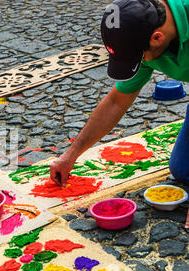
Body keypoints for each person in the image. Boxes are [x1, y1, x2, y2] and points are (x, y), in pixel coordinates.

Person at [49, 0, 188, 223]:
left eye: (139, 58)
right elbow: (116, 102)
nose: (140, 62)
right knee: (183, 169)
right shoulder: (142, 33)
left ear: (157, 38)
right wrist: (70, 155)